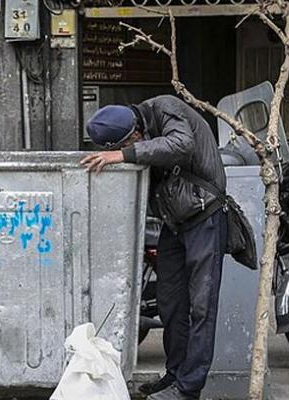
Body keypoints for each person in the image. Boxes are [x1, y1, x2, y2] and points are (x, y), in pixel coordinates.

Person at [80, 96, 227, 400]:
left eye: (129, 143)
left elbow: (182, 144)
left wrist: (124, 155)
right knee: (170, 302)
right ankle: (174, 375)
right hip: (175, 223)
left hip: (205, 216)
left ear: (134, 133)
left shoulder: (166, 108)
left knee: (201, 306)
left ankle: (189, 389)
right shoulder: (137, 130)